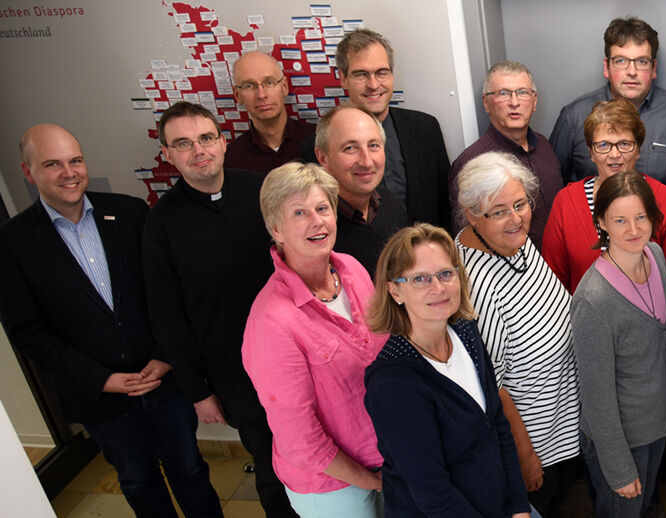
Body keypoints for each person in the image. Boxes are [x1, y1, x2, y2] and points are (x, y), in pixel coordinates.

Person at [0, 124, 223, 518]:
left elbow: (168, 292)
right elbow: (28, 333)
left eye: (75, 160)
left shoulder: (130, 212)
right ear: (28, 171)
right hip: (98, 396)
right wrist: (102, 381)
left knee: (189, 469)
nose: (69, 172)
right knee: (137, 480)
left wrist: (165, 356)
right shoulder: (12, 243)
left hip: (163, 379)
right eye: (53, 164)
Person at [142, 102, 294, 517]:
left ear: (223, 142)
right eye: (183, 144)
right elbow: (167, 314)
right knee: (270, 464)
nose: (199, 150)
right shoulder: (161, 223)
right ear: (168, 154)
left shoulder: (263, 190)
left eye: (206, 138)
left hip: (295, 352)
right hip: (233, 372)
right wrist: (198, 391)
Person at [243, 162, 387, 517]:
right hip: (331, 486)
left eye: (322, 208)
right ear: (276, 229)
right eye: (299, 213)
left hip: (384, 458)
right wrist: (372, 482)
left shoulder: (351, 268)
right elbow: (300, 441)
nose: (316, 221)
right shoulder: (271, 321)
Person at [364, 224, 533, 518]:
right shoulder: (393, 384)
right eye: (420, 279)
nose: (438, 288)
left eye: (445, 273)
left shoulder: (465, 332)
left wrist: (519, 508)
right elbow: (434, 493)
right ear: (395, 290)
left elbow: (497, 424)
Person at [455, 152, 581, 517]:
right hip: (533, 442)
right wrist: (524, 456)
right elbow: (491, 384)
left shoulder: (516, 242)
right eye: (499, 211)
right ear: (472, 215)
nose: (516, 219)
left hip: (560, 419)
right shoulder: (473, 281)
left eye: (521, 204)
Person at [570, 171, 666, 518]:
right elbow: (596, 396)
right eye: (620, 220)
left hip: (656, 424)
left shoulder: (655, 256)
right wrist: (618, 467)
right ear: (601, 221)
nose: (633, 230)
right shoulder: (593, 300)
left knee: (643, 505)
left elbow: (665, 344)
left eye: (641, 217)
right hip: (621, 439)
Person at [303, 28, 451, 227]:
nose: (373, 85)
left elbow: (446, 205)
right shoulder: (316, 147)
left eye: (382, 73)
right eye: (361, 74)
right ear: (343, 79)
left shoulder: (426, 129)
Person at [542, 99, 666, 292]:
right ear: (591, 152)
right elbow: (554, 282)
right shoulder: (566, 202)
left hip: (651, 319)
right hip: (583, 320)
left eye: (624, 144)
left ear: (638, 149)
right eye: (603, 145)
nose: (614, 154)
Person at [550, 16, 666, 184]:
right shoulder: (573, 117)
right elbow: (553, 184)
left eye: (641, 61)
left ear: (653, 68)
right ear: (606, 67)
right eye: (621, 60)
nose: (632, 71)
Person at [450, 61, 563, 247]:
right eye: (503, 93)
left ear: (534, 101)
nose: (514, 102)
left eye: (522, 92)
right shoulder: (471, 163)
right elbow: (466, 238)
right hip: (511, 269)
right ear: (486, 103)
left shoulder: (545, 146)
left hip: (555, 265)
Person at [314, 105, 409, 275]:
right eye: (350, 148)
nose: (366, 161)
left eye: (373, 145)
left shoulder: (392, 205)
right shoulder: (314, 227)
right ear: (323, 158)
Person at [226, 51, 316, 173]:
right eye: (249, 86)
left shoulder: (319, 139)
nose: (261, 95)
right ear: (238, 95)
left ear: (284, 87)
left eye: (269, 82)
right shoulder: (231, 158)